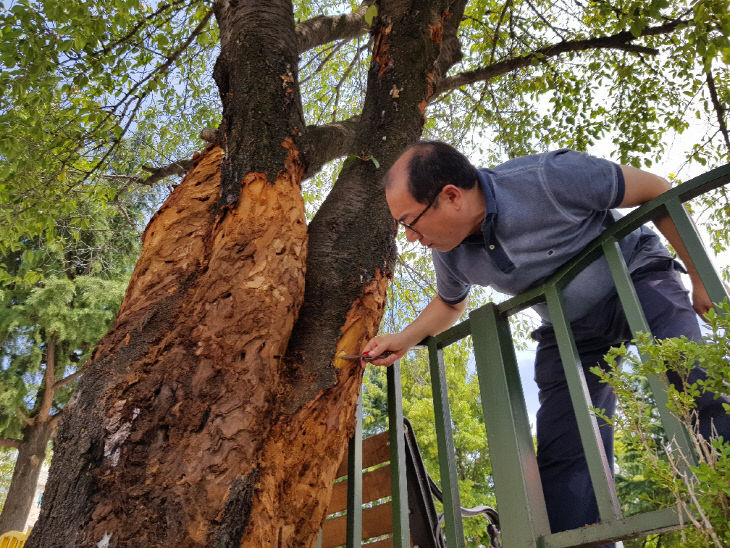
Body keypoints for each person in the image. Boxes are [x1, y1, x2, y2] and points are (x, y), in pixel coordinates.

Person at [362, 141, 730, 541]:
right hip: (569, 325)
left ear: (451, 196)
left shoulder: (549, 178)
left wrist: (697, 276)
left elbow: (655, 189)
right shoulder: (450, 253)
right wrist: (404, 338)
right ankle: (585, 539)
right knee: (564, 448)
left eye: (409, 222)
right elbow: (451, 304)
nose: (412, 238)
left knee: (689, 378)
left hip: (637, 275)